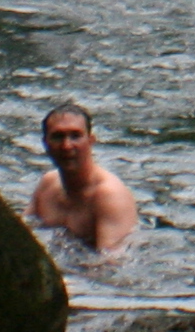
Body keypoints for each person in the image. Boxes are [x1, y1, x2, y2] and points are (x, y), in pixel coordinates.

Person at [29, 101, 140, 255]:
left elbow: (110, 267)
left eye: (75, 136)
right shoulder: (48, 185)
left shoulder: (110, 196)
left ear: (90, 141)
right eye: (58, 137)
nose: (67, 146)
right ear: (45, 143)